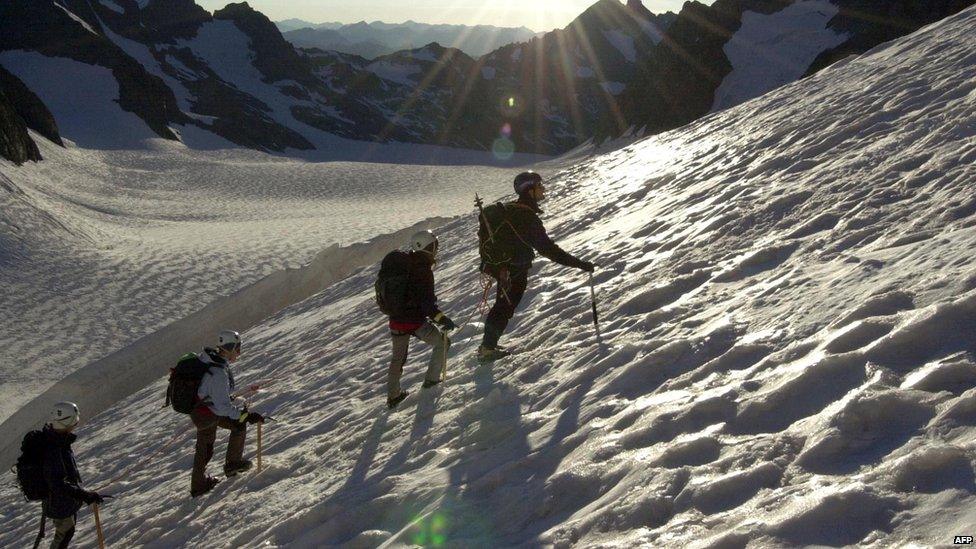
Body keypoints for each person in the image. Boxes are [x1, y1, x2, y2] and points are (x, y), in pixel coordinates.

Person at [478, 171, 594, 362]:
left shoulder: (513, 210)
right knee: (504, 308)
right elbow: (548, 249)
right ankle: (487, 348)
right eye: (540, 186)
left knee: (502, 306)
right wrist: (579, 264)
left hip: (503, 267)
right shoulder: (526, 216)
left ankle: (488, 344)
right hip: (515, 269)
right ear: (529, 190)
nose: (543, 189)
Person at [190, 330, 265, 497]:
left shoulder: (214, 362)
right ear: (230, 348)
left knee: (235, 427)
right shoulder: (218, 373)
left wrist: (239, 414)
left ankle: (231, 465)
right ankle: (199, 487)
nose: (239, 353)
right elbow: (222, 408)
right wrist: (243, 415)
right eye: (237, 349)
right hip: (206, 414)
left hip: (205, 409)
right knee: (205, 448)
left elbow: (218, 397)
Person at [386, 230, 455, 409]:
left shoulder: (405, 265)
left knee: (397, 359)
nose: (436, 250)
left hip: (396, 321)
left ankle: (393, 396)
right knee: (443, 343)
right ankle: (431, 381)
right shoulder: (422, 270)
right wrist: (442, 318)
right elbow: (427, 304)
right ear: (428, 247)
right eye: (434, 246)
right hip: (415, 322)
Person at [41, 401, 108, 549]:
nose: (75, 425)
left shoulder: (55, 439)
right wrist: (83, 495)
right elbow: (57, 483)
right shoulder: (54, 447)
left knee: (66, 533)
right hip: (59, 501)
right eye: (74, 421)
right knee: (64, 534)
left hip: (61, 500)